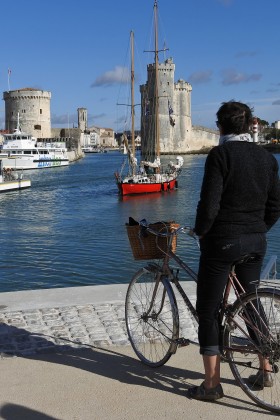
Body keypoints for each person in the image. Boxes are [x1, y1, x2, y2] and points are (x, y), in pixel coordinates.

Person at [188, 100, 280, 401]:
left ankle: (212, 385)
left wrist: (199, 231)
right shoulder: (267, 159)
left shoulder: (220, 155)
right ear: (250, 123)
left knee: (209, 310)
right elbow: (275, 206)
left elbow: (209, 205)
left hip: (222, 242)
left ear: (220, 127)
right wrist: (256, 230)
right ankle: (265, 370)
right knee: (251, 301)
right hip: (256, 240)